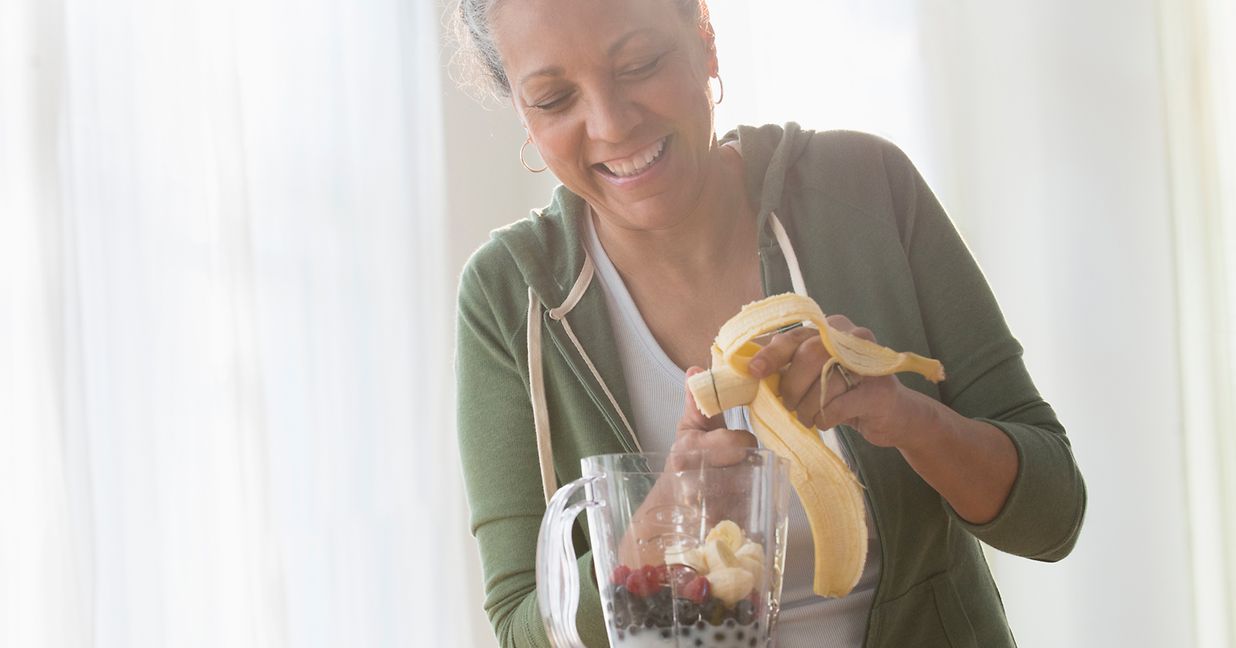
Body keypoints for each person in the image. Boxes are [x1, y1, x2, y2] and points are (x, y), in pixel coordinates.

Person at [451, 0, 1087, 646]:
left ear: (705, 39)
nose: (611, 125)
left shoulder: (866, 190)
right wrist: (663, 520)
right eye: (555, 99)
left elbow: (1051, 516)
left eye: (639, 63)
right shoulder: (510, 298)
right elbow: (522, 631)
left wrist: (907, 418)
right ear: (524, 119)